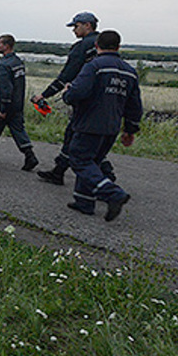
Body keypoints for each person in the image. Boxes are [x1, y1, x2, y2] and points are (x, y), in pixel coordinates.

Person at [62, 30, 142, 220]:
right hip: (112, 126)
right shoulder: (129, 71)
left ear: (97, 45)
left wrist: (67, 92)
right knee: (93, 162)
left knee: (79, 159)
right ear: (118, 47)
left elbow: (78, 92)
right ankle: (84, 201)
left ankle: (112, 194)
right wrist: (130, 129)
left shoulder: (94, 66)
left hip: (89, 123)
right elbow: (134, 105)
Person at [32, 11, 104, 185]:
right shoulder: (104, 44)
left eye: (76, 26)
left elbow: (67, 75)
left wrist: (44, 94)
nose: (73, 30)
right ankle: (59, 171)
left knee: (74, 136)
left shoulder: (82, 46)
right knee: (87, 140)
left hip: (84, 100)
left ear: (88, 25)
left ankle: (105, 181)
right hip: (106, 100)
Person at [0, 34, 39, 171]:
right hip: (17, 104)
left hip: (5, 104)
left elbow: (5, 89)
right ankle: (30, 155)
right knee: (19, 131)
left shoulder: (4, 65)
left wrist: (3, 109)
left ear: (6, 46)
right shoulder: (18, 62)